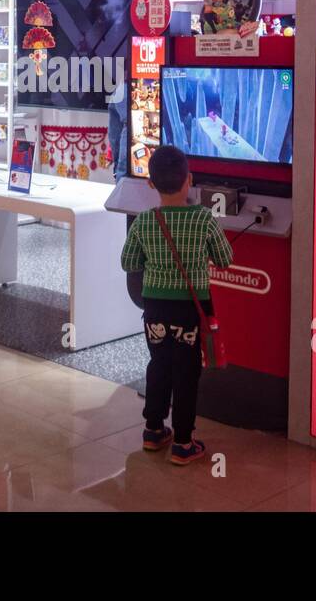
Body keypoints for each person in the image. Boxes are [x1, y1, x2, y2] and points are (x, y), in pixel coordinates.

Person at [120, 145, 233, 465]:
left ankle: (153, 430)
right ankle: (183, 442)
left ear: (151, 184)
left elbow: (128, 262)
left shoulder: (143, 222)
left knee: (158, 365)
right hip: (189, 310)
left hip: (154, 307)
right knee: (186, 372)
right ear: (189, 180)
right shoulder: (203, 219)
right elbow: (225, 259)